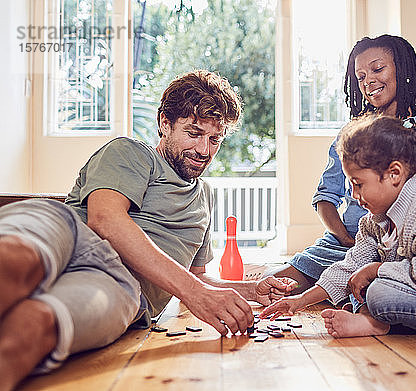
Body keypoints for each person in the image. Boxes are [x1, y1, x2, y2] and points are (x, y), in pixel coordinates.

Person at [0, 70, 295, 390]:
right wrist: (195, 292)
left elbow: (195, 278)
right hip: (69, 232)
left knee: (36, 326)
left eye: (215, 139)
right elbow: (106, 220)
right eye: (193, 133)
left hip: (121, 286)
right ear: (164, 123)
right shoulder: (130, 152)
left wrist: (251, 291)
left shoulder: (206, 198)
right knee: (14, 264)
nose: (204, 150)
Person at [269, 34, 416, 293]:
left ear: (403, 69)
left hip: (408, 243)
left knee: (403, 280)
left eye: (377, 69)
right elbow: (325, 198)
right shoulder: (351, 135)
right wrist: (347, 240)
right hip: (351, 242)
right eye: (361, 77)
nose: (369, 82)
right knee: (277, 282)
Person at [260, 115, 416, 338]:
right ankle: (370, 318)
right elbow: (349, 266)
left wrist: (375, 269)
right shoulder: (374, 221)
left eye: (359, 184)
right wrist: (299, 301)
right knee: (358, 281)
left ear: (394, 174)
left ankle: (374, 322)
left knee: (378, 294)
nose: (354, 195)